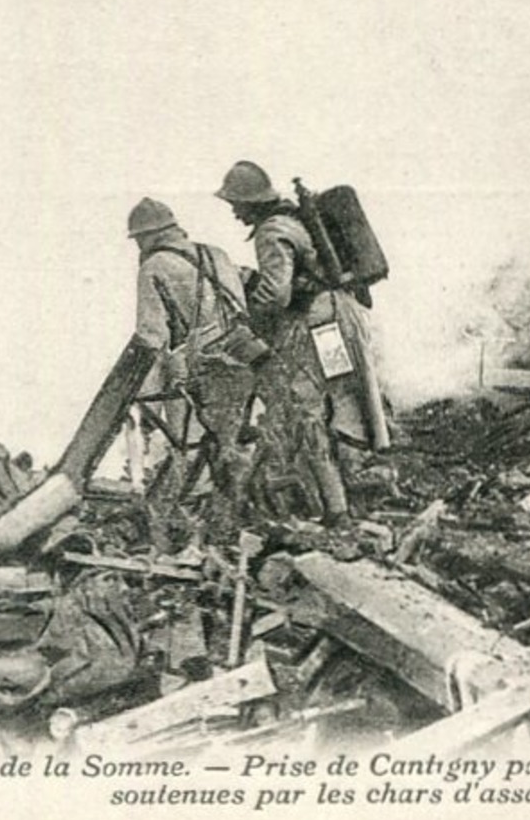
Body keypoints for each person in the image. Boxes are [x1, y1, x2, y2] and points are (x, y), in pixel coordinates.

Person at [215, 160, 389, 524]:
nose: (234, 213)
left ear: (250, 203)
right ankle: (351, 497)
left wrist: (248, 311)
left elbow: (276, 294)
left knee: (308, 408)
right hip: (337, 315)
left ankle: (337, 509)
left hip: (317, 323)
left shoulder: (271, 231)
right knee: (341, 401)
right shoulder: (294, 220)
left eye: (236, 205)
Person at [127, 196, 265, 547]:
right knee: (231, 446)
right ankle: (233, 525)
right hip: (243, 360)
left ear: (147, 237)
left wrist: (140, 396)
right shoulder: (216, 254)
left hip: (199, 369)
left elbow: (151, 336)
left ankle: (192, 536)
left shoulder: (154, 267)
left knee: (189, 451)